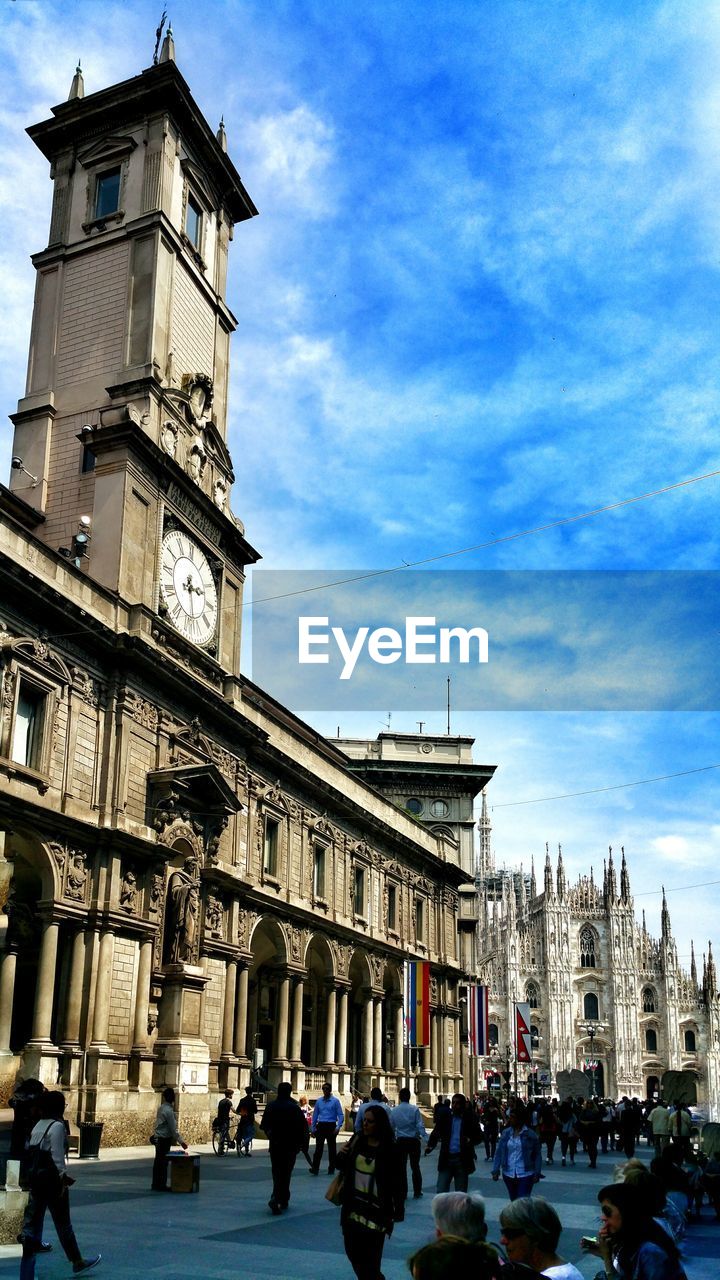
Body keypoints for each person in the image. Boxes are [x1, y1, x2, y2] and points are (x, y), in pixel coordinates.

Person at [18, 1090, 101, 1277]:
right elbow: (57, 1156)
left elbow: (29, 1150)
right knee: (63, 1224)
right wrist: (64, 1177)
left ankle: (26, 1273)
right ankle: (77, 1261)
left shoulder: (38, 1125)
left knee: (32, 1227)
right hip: (53, 1183)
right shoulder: (56, 1126)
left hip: (37, 1182)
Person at [336, 1104, 403, 1280]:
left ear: (379, 1124)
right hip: (353, 1208)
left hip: (377, 1212)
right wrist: (341, 1154)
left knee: (371, 1262)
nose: (365, 1124)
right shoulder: (357, 1139)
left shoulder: (390, 1148)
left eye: (370, 1121)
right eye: (364, 1120)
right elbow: (339, 1166)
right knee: (353, 1255)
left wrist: (398, 1208)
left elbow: (398, 1181)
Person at [582, 1182, 687, 1280]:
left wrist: (608, 1260)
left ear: (627, 1213)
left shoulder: (650, 1252)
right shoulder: (634, 1237)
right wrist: (605, 1253)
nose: (603, 1217)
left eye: (607, 1212)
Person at [498, 1196, 583, 1279]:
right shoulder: (564, 1271)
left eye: (509, 1234)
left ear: (535, 1235)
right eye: (503, 1233)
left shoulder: (552, 1277)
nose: (502, 1241)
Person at [260, 1081, 309, 1214]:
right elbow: (303, 1128)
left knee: (277, 1172)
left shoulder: (271, 1106)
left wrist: (271, 1136)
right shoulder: (294, 1107)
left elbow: (264, 1126)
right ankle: (278, 1198)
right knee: (286, 1172)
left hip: (275, 1146)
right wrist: (302, 1145)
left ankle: (280, 1196)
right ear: (289, 1092)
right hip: (290, 1146)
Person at [426, 1093, 480, 1193]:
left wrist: (470, 1140)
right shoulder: (446, 1118)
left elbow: (479, 1136)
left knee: (460, 1195)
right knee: (441, 1191)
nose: (454, 1106)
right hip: (446, 1159)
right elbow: (436, 1132)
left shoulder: (469, 1119)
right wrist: (430, 1145)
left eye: (457, 1103)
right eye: (453, 1103)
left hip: (461, 1160)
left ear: (463, 1105)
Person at [492, 1101, 542, 1201]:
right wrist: (495, 1169)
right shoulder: (506, 1133)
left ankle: (524, 1216)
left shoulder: (530, 1134)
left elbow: (537, 1154)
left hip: (525, 1173)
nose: (510, 1120)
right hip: (509, 1173)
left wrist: (537, 1172)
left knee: (523, 1201)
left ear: (520, 1119)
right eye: (510, 1117)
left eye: (513, 1117)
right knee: (514, 1201)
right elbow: (499, 1153)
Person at [390, 1087, 428, 1201]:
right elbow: (420, 1126)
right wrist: (426, 1139)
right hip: (413, 1141)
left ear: (400, 1097)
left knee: (401, 1169)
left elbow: (392, 1127)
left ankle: (403, 1192)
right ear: (409, 1097)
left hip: (400, 1141)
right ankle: (417, 1191)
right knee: (415, 1167)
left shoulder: (394, 1111)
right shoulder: (414, 1109)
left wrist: (393, 1139)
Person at [151, 1086, 187, 1190]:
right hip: (164, 1139)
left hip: (158, 1137)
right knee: (163, 1162)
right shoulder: (169, 1111)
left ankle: (155, 1183)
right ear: (173, 1098)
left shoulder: (161, 1108)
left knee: (158, 1161)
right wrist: (182, 1142)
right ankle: (161, 1184)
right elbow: (173, 1129)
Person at [311, 1081, 345, 1174]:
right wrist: (313, 1128)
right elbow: (315, 1115)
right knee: (318, 1148)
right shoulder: (319, 1101)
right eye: (324, 1089)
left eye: (327, 1089)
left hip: (331, 1125)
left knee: (332, 1149)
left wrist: (338, 1127)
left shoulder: (335, 1101)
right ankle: (315, 1168)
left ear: (330, 1090)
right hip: (321, 1125)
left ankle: (331, 1168)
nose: (325, 1090)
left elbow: (341, 1115)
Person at [235, 1086, 257, 1157]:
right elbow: (255, 1111)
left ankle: (240, 1148)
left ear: (246, 1092)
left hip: (243, 1119)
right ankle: (245, 1145)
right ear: (252, 1092)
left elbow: (238, 1110)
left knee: (240, 1134)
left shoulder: (242, 1100)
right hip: (250, 1120)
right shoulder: (253, 1101)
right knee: (250, 1135)